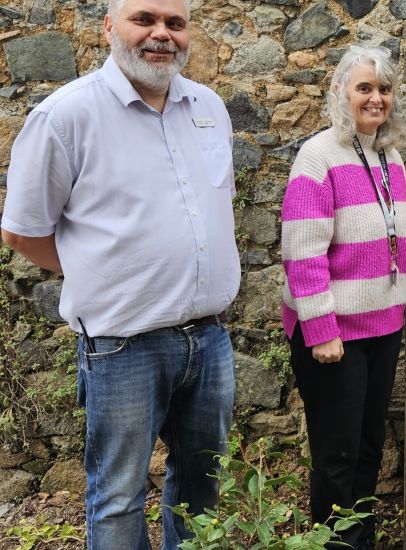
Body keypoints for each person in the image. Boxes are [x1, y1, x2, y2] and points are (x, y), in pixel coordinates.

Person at [0, 0, 239, 547]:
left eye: (175, 24)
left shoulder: (209, 107)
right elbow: (21, 231)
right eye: (145, 20)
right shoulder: (65, 117)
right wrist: (100, 271)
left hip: (209, 338)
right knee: (118, 497)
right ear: (108, 27)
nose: (162, 34)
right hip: (121, 345)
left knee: (202, 487)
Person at [280, 43, 406, 550]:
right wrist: (321, 330)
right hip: (335, 335)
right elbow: (301, 251)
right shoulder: (317, 156)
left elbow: (387, 237)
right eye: (364, 88)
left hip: (383, 326)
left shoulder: (388, 155)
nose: (375, 98)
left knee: (368, 449)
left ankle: (361, 542)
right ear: (341, 93)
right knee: (336, 456)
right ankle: (336, 545)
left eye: (383, 88)